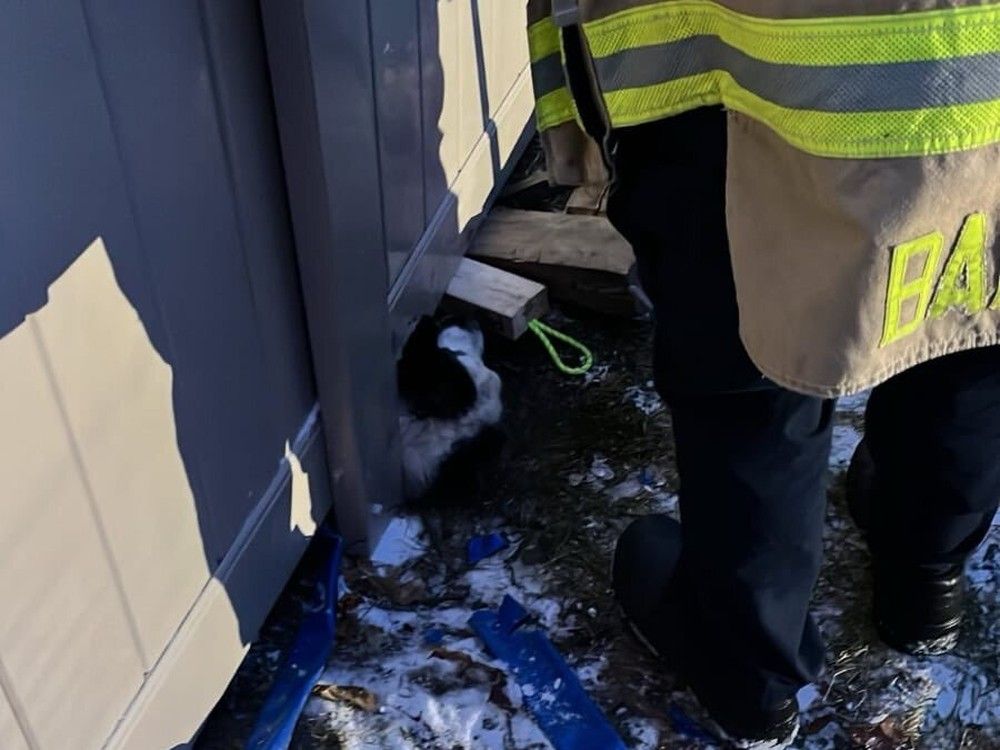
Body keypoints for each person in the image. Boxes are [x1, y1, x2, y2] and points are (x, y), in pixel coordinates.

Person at [527, 2, 1000, 747]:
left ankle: (749, 674)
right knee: (969, 303)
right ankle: (925, 579)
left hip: (743, 66)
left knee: (748, 350)